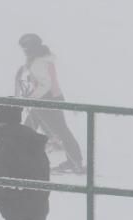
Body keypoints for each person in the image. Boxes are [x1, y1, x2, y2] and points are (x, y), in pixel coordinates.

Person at [14, 33, 84, 174]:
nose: (23, 51)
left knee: (57, 130)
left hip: (47, 100)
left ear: (31, 47)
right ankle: (74, 161)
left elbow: (45, 84)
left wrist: (31, 97)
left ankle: (75, 162)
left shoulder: (38, 62)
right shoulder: (43, 58)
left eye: (25, 47)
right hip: (51, 99)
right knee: (35, 126)